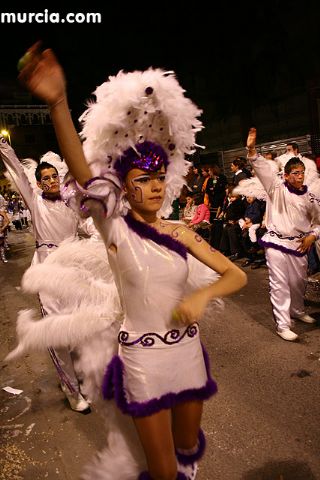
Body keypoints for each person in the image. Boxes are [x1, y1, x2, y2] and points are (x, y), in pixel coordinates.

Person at [19, 43, 247, 480]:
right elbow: (83, 174)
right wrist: (59, 103)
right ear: (125, 188)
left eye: (160, 178)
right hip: (143, 361)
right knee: (163, 470)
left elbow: (235, 274)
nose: (155, 187)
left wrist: (204, 298)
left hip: (188, 353)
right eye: (143, 180)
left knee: (186, 449)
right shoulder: (116, 228)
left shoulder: (181, 232)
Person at [0, 137, 90, 412]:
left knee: (79, 328)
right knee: (56, 330)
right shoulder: (35, 201)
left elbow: (90, 226)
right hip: (48, 270)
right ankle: (71, 388)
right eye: (45, 178)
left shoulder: (73, 201)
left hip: (75, 268)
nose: (51, 181)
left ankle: (84, 378)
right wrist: (5, 147)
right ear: (38, 183)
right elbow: (17, 172)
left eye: (54, 176)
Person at [246, 127, 320, 342]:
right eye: (294, 173)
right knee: (280, 284)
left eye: (301, 172)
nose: (299, 176)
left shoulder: (310, 196)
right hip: (276, 243)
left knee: (298, 282)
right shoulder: (276, 188)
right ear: (286, 175)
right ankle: (282, 324)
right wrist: (252, 150)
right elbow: (262, 169)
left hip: (300, 244)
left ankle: (297, 310)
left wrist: (313, 236)